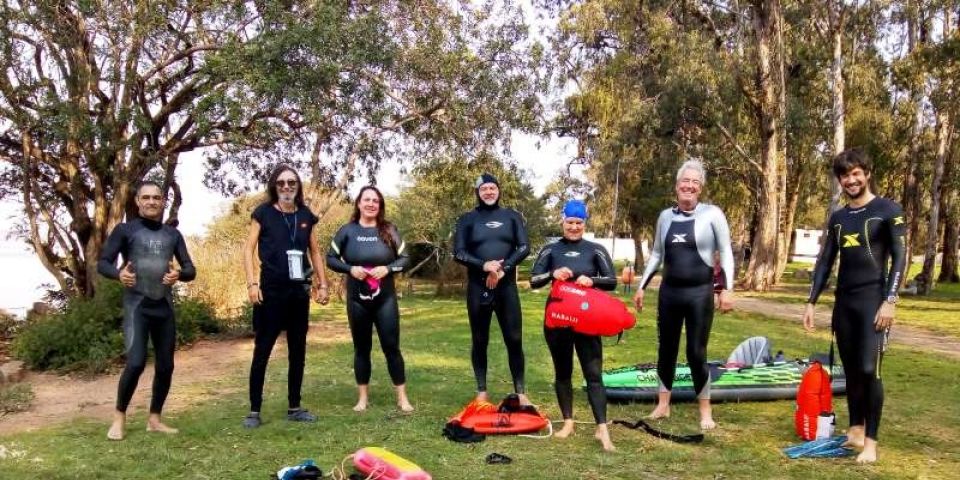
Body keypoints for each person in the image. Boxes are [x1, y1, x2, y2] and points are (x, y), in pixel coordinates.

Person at [801, 148, 905, 464]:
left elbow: (900, 257)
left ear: (867, 174)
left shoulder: (888, 210)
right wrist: (811, 301)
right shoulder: (838, 218)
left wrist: (890, 300)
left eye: (856, 173)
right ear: (840, 181)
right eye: (845, 175)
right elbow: (824, 262)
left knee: (870, 370)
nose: (851, 180)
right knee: (851, 372)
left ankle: (871, 443)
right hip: (844, 304)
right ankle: (855, 429)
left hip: (874, 302)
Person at [633, 159, 734, 431]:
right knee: (666, 349)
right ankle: (663, 405)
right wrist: (642, 285)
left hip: (699, 294)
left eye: (694, 182)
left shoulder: (712, 214)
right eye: (684, 182)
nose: (689, 186)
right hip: (670, 294)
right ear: (677, 186)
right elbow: (656, 253)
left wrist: (727, 288)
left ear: (700, 188)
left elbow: (725, 252)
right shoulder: (665, 217)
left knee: (696, 353)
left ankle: (705, 410)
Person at [98, 180, 197, 440]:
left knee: (166, 366)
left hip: (163, 306)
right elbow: (103, 263)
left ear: (163, 201)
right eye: (146, 198)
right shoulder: (125, 231)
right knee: (136, 362)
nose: (152, 202)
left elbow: (190, 269)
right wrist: (119, 275)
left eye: (156, 197)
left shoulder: (172, 235)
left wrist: (179, 274)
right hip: (137, 306)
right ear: (138, 201)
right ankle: (119, 418)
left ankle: (154, 419)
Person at [242, 165, 330, 428]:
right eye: (281, 183)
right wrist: (252, 283)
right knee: (263, 349)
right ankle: (254, 411)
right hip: (270, 291)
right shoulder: (263, 213)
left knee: (298, 350)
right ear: (274, 186)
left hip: (298, 292)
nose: (287, 187)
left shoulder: (305, 216)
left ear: (298, 186)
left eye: (292, 183)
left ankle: (295, 407)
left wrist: (322, 283)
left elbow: (314, 252)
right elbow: (248, 250)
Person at [530, 200, 618, 451]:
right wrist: (552, 274)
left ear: (585, 224)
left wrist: (591, 280)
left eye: (579, 223)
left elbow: (612, 280)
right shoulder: (550, 250)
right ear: (563, 222)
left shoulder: (595, 249)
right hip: (557, 322)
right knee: (563, 372)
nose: (574, 227)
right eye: (570, 222)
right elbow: (534, 280)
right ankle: (568, 422)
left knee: (593, 374)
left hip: (587, 321)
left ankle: (602, 427)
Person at [327, 186, 413, 412]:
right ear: (359, 203)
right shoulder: (347, 231)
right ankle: (362, 399)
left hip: (385, 300)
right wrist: (349, 268)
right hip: (357, 301)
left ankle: (402, 398)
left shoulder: (389, 230)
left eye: (376, 201)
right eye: (367, 200)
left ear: (380, 205)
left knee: (392, 347)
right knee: (361, 349)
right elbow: (330, 259)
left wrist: (388, 269)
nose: (371, 204)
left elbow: (404, 258)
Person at [453, 173, 531, 403]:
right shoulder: (467, 219)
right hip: (478, 288)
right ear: (478, 192)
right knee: (479, 340)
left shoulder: (512, 216)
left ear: (498, 190)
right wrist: (484, 265)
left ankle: (521, 393)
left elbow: (524, 247)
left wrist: (502, 268)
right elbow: (459, 252)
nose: (489, 192)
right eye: (484, 188)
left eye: (492, 188)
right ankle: (482, 392)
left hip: (506, 287)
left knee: (514, 338)